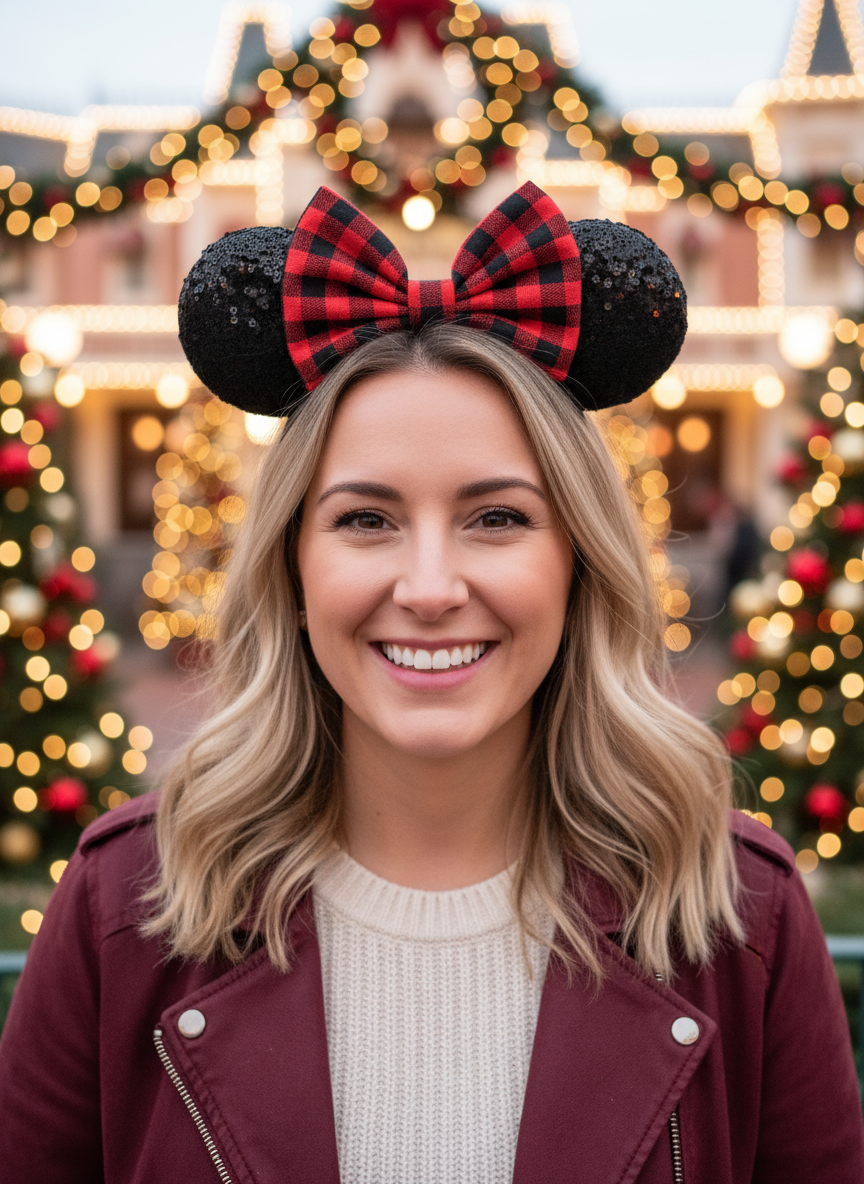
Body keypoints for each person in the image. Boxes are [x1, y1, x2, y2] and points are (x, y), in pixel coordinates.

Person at [0, 183, 861, 1184]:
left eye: (497, 518)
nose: (430, 588)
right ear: (293, 566)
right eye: (366, 520)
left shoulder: (743, 916)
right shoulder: (120, 905)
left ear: (579, 561)